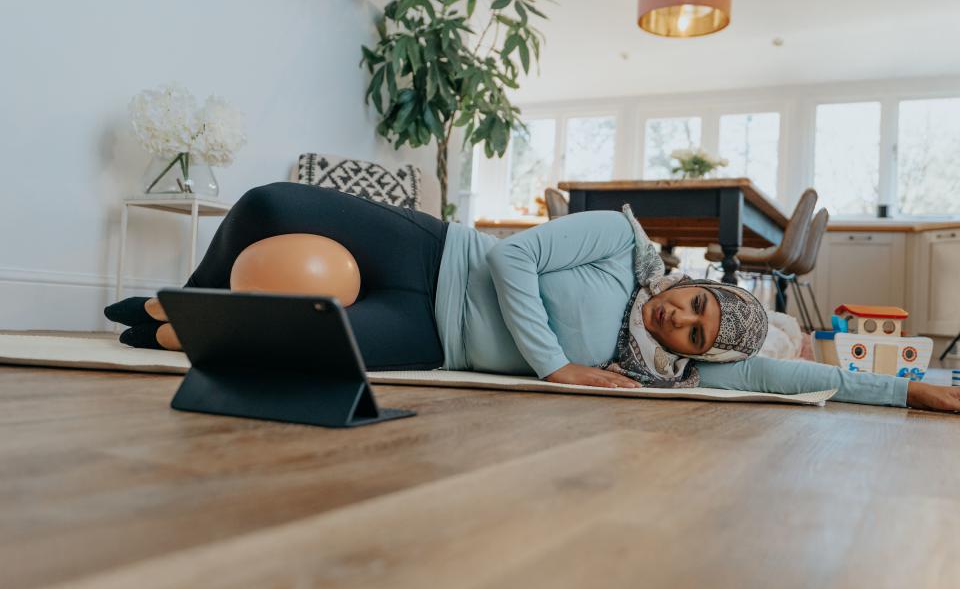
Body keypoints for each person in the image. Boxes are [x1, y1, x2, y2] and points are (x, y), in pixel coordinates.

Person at [104, 182, 960, 413]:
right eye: (693, 302)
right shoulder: (618, 246)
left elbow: (793, 384)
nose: (680, 319)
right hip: (435, 252)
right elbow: (514, 266)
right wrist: (555, 367)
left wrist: (902, 390)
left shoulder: (666, 379)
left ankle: (163, 328)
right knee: (265, 208)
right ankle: (178, 299)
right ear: (688, 279)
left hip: (429, 336)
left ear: (700, 357)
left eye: (696, 334)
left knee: (294, 345)